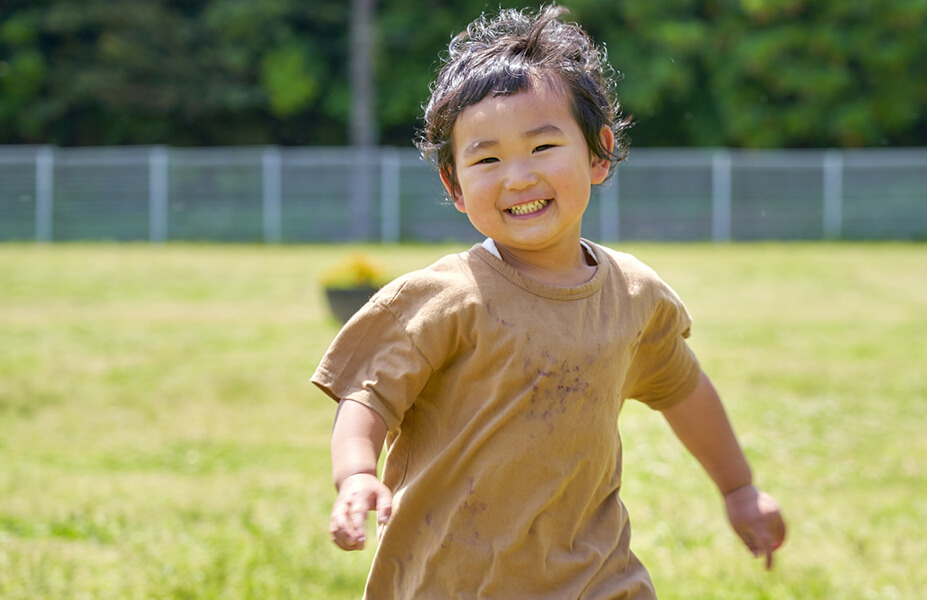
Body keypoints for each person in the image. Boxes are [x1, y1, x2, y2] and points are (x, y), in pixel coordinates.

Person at [313, 5, 785, 598]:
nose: (517, 176)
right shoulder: (444, 298)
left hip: (596, 578)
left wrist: (739, 489)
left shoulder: (633, 295)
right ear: (453, 186)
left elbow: (682, 389)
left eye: (541, 147)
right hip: (452, 581)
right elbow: (367, 399)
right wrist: (356, 473)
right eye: (486, 158)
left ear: (598, 154)